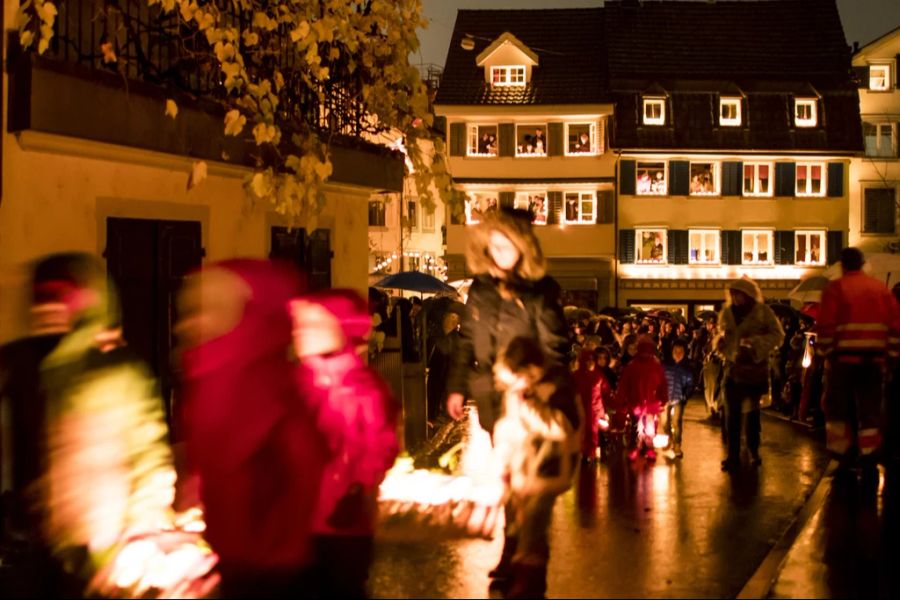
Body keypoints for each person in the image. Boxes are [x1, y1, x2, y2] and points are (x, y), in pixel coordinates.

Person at [0, 253, 176, 597]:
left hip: (98, 546)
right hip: (30, 541)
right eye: (41, 295)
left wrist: (139, 530)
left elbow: (148, 454)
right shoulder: (18, 361)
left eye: (60, 295)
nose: (47, 306)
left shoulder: (116, 370)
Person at [445, 207, 577, 598]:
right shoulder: (481, 289)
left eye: (506, 244)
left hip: (528, 403)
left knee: (526, 484)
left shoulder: (540, 291)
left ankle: (522, 553)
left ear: (522, 247)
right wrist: (457, 386)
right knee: (505, 478)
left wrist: (538, 388)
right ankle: (513, 548)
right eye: (493, 244)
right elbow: (467, 341)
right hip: (491, 398)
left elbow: (556, 349)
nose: (498, 251)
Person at [177, 260, 329, 598]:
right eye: (192, 309)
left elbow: (303, 463)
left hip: (269, 562)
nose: (192, 321)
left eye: (212, 308)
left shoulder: (264, 382)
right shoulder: (210, 370)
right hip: (234, 551)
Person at [290, 289, 398, 598]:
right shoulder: (296, 382)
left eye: (314, 324)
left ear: (342, 329)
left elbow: (382, 445)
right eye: (300, 324)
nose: (302, 331)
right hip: (297, 520)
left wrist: (358, 485)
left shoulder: (364, 389)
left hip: (344, 522)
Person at [492, 337, 579, 599]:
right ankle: (525, 581)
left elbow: (563, 427)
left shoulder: (557, 386)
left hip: (547, 470)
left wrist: (529, 407)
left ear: (530, 368)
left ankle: (527, 588)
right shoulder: (520, 389)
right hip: (524, 469)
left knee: (532, 530)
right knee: (523, 529)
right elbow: (510, 426)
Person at [815, 248, 900, 485]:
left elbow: (826, 326)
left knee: (838, 408)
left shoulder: (836, 289)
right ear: (862, 264)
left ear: (843, 265)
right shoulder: (880, 289)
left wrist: (825, 353)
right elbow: (895, 326)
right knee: (870, 410)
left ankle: (843, 456)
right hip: (873, 361)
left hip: (843, 361)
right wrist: (891, 355)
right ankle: (869, 455)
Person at [715, 276, 784, 472]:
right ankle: (733, 456)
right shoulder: (727, 314)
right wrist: (721, 345)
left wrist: (756, 344)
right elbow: (724, 337)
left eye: (739, 295)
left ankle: (754, 451)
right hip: (732, 370)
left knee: (752, 416)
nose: (736, 299)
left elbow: (777, 335)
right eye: (733, 295)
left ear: (747, 295)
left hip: (753, 371)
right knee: (731, 417)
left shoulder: (763, 313)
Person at [616, 335, 668, 461]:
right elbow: (663, 384)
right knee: (645, 427)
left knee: (640, 427)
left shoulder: (633, 365)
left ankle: (640, 448)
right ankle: (645, 449)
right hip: (646, 403)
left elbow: (623, 385)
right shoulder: (652, 365)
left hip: (640, 403)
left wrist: (621, 400)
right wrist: (663, 398)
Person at [426, 311, 461, 428]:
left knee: (436, 393)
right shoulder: (447, 337)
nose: (445, 324)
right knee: (436, 393)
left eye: (449, 322)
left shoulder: (448, 337)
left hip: (441, 372)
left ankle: (436, 416)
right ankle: (435, 416)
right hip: (441, 372)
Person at [662, 338, 695, 458]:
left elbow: (691, 384)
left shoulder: (687, 368)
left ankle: (677, 445)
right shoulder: (665, 365)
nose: (678, 353)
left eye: (681, 351)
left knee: (677, 422)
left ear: (685, 352)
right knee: (665, 422)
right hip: (665, 398)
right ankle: (669, 438)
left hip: (678, 399)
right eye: (675, 350)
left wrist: (685, 396)